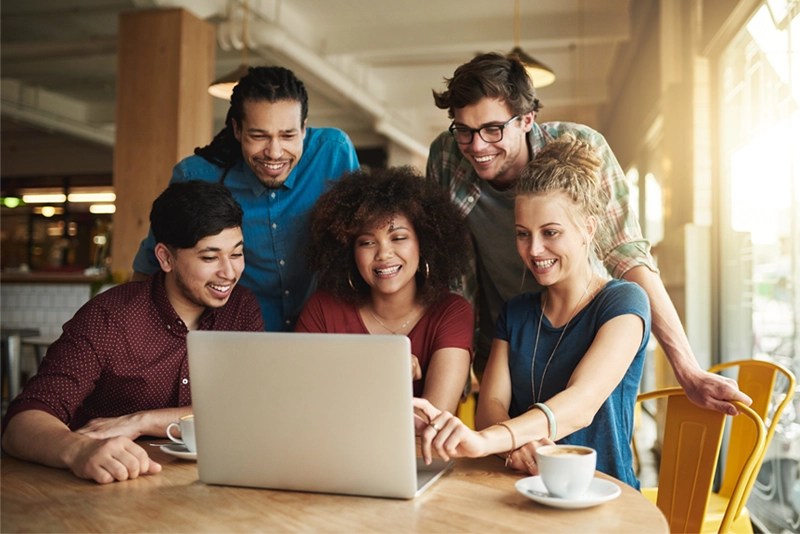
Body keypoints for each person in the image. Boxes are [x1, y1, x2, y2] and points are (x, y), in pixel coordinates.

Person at [426, 52, 750, 415]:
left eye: (492, 129)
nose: (478, 146)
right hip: (505, 341)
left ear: (527, 119)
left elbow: (626, 254)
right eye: (465, 131)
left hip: (582, 338)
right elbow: (453, 279)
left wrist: (687, 369)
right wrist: (447, 377)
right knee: (507, 455)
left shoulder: (582, 148)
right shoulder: (446, 155)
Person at [416, 134, 650, 488]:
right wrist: (516, 446)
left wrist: (488, 441)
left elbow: (580, 405)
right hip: (521, 490)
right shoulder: (516, 312)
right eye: (523, 234)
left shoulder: (624, 303)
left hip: (602, 494)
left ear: (588, 229)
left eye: (550, 232)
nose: (534, 249)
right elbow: (491, 403)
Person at [1, 181, 264, 484]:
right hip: (102, 489)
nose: (229, 273)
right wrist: (78, 451)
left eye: (236, 254)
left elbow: (247, 410)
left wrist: (143, 421)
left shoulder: (241, 310)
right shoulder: (109, 317)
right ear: (165, 258)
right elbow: (20, 424)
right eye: (209, 258)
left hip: (205, 487)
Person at [132, 66, 360, 331]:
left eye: (288, 135)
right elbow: (151, 266)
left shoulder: (333, 153)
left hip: (322, 332)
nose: (274, 152)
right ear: (237, 129)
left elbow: (360, 238)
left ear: (304, 129)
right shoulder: (197, 175)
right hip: (235, 336)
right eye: (258, 135)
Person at [295, 167, 474, 414]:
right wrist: (380, 368)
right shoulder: (323, 309)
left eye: (398, 238)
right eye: (367, 242)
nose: (384, 254)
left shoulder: (451, 312)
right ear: (349, 251)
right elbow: (303, 405)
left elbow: (431, 419)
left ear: (424, 243)